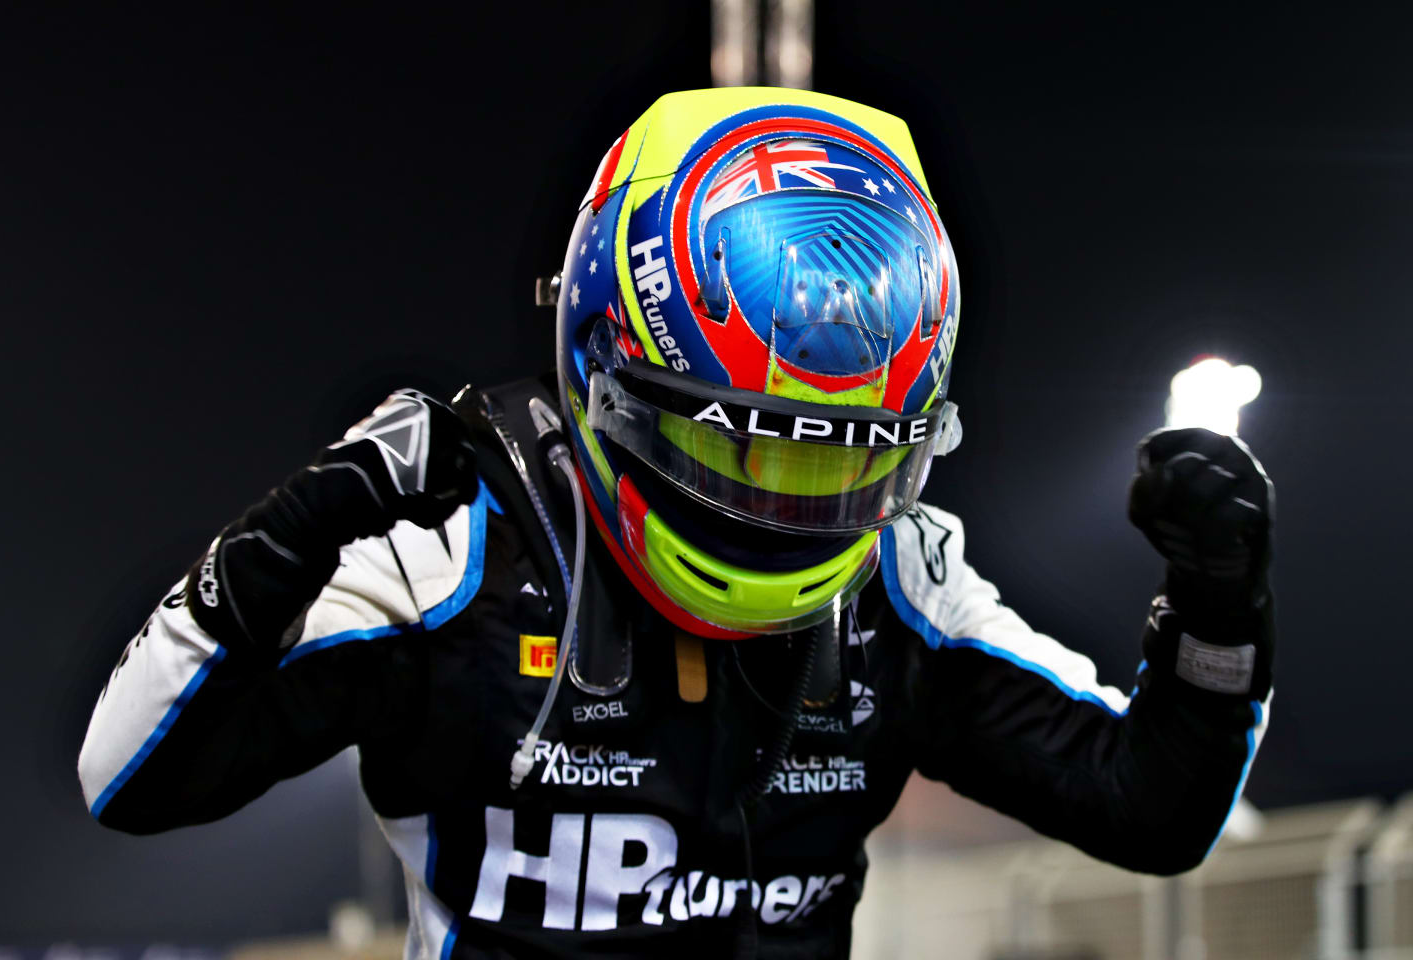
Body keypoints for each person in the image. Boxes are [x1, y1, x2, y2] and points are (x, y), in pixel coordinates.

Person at [78, 88, 1275, 960]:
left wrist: (1220, 616)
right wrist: (302, 520)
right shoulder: (459, 544)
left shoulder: (900, 580)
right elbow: (130, 776)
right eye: (728, 444)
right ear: (602, 364)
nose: (774, 514)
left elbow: (1155, 812)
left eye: (832, 468)